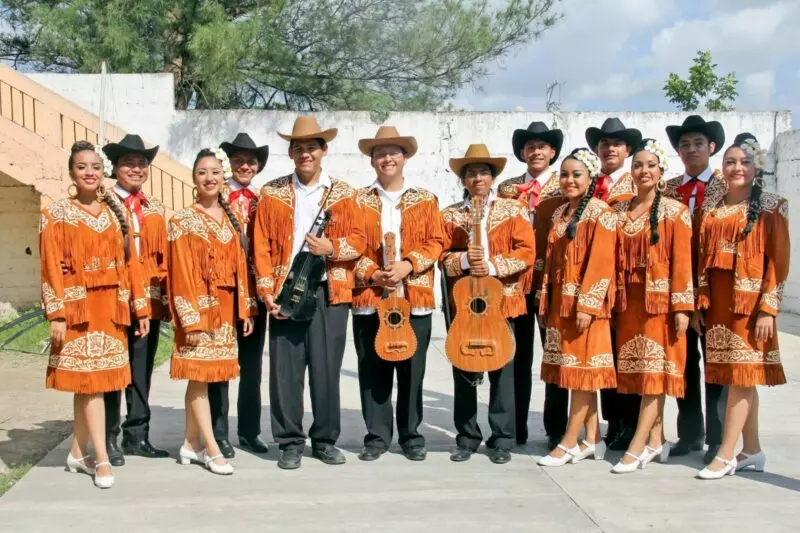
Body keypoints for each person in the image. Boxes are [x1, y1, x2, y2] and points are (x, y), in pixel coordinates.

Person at [253, 116, 367, 470]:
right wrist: (266, 289)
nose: (306, 154)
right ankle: (288, 441)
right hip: (286, 289)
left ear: (324, 151)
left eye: (312, 147)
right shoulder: (272, 193)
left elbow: (361, 240)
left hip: (328, 291)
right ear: (290, 152)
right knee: (286, 369)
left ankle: (325, 439)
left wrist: (332, 247)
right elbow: (261, 247)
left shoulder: (345, 193)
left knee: (326, 368)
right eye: (299, 147)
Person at [41, 141, 150, 489]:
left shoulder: (113, 211)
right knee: (89, 386)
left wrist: (140, 306)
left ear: (102, 171)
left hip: (111, 309)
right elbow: (49, 268)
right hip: (78, 310)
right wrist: (56, 313)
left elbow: (130, 263)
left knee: (94, 383)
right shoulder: (56, 214)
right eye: (81, 166)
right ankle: (101, 456)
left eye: (94, 166)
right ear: (71, 172)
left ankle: (77, 450)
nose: (88, 172)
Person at [695, 134, 788, 479]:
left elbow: (779, 262)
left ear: (756, 167)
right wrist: (699, 302)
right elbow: (703, 258)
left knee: (742, 378)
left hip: (750, 308)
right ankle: (752, 450)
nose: (737, 168)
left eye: (745, 162)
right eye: (731, 162)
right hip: (718, 306)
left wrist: (769, 308)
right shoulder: (713, 207)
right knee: (740, 378)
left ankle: (725, 453)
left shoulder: (773, 205)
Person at [351, 126, 444, 462]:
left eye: (393, 152)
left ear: (404, 157)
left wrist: (408, 264)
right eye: (380, 153)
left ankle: (411, 435)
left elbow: (436, 241)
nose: (387, 158)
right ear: (372, 160)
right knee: (373, 370)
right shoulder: (356, 201)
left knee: (411, 371)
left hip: (413, 296)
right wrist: (373, 273)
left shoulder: (425, 199)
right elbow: (348, 246)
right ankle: (376, 436)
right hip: (371, 300)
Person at [440, 144, 535, 464]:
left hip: (502, 301)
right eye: (470, 173)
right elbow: (440, 257)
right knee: (464, 365)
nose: (477, 178)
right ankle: (466, 435)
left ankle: (502, 437)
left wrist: (493, 266)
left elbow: (526, 252)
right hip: (465, 303)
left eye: (483, 172)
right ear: (462, 179)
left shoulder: (513, 210)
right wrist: (464, 260)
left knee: (503, 369)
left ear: (492, 177)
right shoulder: (450, 214)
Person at [169, 148, 255, 476]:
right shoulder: (182, 221)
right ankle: (212, 448)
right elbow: (180, 274)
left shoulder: (232, 218)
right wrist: (189, 319)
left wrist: (244, 309)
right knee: (199, 379)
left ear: (224, 177)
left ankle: (189, 444)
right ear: (194, 178)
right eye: (203, 172)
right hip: (197, 312)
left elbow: (238, 269)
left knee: (207, 378)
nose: (210, 178)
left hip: (225, 312)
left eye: (216, 172)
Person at [609, 139, 693, 473]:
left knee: (655, 373)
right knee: (639, 371)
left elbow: (683, 263)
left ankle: (638, 444)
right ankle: (657, 440)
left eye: (651, 166)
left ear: (661, 172)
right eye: (638, 165)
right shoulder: (619, 211)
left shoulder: (676, 211)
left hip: (659, 305)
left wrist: (682, 306)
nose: (644, 171)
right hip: (628, 305)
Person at [537, 148, 617, 467]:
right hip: (560, 305)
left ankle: (570, 441)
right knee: (575, 372)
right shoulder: (559, 215)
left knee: (580, 374)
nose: (569, 180)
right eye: (565, 174)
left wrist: (588, 304)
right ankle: (592, 437)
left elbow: (602, 263)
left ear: (590, 177)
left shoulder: (602, 213)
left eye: (577, 174)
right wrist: (545, 299)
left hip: (585, 309)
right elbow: (551, 261)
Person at [101, 134, 169, 466]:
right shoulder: (102, 203)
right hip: (114, 299)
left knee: (141, 369)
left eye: (142, 163)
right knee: (115, 369)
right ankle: (108, 437)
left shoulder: (155, 207)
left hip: (150, 299)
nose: (136, 169)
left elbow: (162, 256)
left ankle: (137, 435)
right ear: (115, 167)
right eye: (129, 163)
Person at [663, 115, 727, 463]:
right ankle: (690, 434)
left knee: (717, 365)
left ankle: (719, 439)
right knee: (684, 362)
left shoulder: (724, 187)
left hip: (714, 289)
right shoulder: (669, 189)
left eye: (698, 143)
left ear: (711, 147)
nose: (691, 150)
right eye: (685, 144)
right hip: (677, 289)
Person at [497, 121, 565, 447]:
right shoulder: (508, 190)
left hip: (552, 282)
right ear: (522, 152)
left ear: (552, 152)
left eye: (542, 146)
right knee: (516, 357)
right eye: (530, 146)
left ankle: (556, 427)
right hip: (515, 284)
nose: (536, 151)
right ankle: (514, 427)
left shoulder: (565, 186)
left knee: (554, 356)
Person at [207, 133, 270, 458]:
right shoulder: (214, 197)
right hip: (222, 289)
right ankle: (218, 432)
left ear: (257, 166)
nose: (245, 166)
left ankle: (249, 430)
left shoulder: (263, 200)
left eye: (251, 161)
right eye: (239, 160)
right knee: (220, 360)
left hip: (255, 291)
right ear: (229, 164)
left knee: (251, 364)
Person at [585, 117, 643, 450]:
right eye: (604, 143)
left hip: (628, 282)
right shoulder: (591, 186)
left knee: (628, 355)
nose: (610, 149)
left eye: (616, 144)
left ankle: (632, 423)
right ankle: (613, 423)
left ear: (627, 150)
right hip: (596, 283)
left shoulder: (637, 185)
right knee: (604, 357)